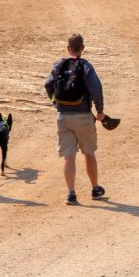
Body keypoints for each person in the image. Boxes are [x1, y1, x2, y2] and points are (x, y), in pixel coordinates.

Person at [44, 33, 108, 206]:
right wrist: (100, 112)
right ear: (83, 48)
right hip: (83, 116)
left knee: (69, 157)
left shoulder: (59, 64)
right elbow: (96, 90)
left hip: (62, 116)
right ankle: (95, 189)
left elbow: (48, 85)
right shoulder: (85, 67)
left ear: (67, 48)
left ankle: (71, 194)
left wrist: (55, 103)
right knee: (89, 153)